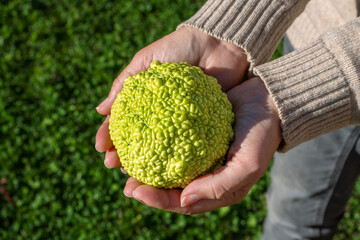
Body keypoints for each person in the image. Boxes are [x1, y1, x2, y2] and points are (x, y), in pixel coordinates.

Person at [95, 0, 360, 239]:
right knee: (293, 210)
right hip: (319, 28)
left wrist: (333, 77)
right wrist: (226, 31)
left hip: (335, 83)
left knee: (301, 215)